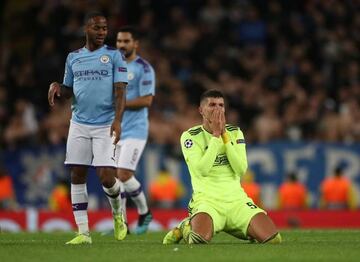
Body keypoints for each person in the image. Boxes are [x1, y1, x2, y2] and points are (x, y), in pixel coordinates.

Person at [48, 12, 128, 244]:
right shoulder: (73, 58)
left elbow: (121, 91)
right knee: (77, 173)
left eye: (104, 29)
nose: (102, 32)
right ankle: (83, 233)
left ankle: (117, 213)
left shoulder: (114, 55)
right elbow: (68, 90)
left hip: (105, 123)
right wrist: (57, 87)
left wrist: (118, 120)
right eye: (97, 28)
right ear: (87, 29)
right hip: (79, 124)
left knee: (105, 177)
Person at [163, 89, 281, 244]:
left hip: (237, 201)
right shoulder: (190, 136)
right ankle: (185, 226)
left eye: (221, 105)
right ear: (201, 110)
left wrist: (224, 136)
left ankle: (242, 228)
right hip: (207, 202)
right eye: (212, 105)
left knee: (273, 240)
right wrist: (215, 136)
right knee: (198, 240)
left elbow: (240, 170)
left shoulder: (235, 132)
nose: (217, 109)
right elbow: (202, 170)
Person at [115, 26, 155, 234]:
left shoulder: (144, 68)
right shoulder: (113, 67)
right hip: (114, 129)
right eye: (119, 41)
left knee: (123, 174)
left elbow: (147, 100)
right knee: (114, 179)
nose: (122, 45)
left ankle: (144, 211)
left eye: (126, 41)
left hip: (136, 130)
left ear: (135, 43)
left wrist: (119, 104)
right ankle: (122, 225)